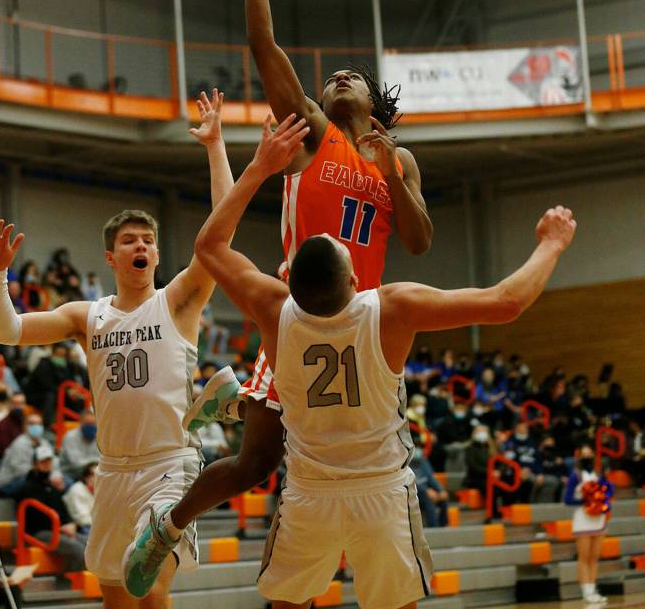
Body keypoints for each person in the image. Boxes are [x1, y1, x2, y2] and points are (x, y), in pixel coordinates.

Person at [124, 114, 576, 606]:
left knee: (287, 598)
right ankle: (236, 409)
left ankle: (241, 401)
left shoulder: (275, 310)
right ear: (355, 281)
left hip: (310, 491)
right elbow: (505, 302)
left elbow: (208, 245)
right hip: (381, 489)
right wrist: (552, 244)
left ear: (289, 277)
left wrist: (258, 167)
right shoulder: (393, 309)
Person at [164, 0, 434, 529]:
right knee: (256, 464)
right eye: (332, 78)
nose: (339, 77)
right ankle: (167, 526)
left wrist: (393, 175)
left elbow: (419, 242)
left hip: (361, 324)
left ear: (376, 105)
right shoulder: (315, 135)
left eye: (353, 77)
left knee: (346, 461)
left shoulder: (400, 159)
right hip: (296, 309)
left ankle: (236, 400)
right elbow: (265, 45)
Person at [0, 89, 237, 609]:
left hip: (170, 462)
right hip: (114, 470)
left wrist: (214, 146)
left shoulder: (180, 300)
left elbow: (221, 232)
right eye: (129, 240)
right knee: (116, 598)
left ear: (158, 254)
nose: (140, 245)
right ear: (111, 256)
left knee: (153, 586)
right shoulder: (86, 315)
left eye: (147, 239)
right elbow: (7, 332)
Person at [16, 446, 87, 572]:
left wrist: (70, 524)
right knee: (75, 547)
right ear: (35, 464)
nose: (46, 465)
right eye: (43, 462)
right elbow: (35, 517)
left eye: (49, 462)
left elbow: (63, 509)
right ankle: (73, 582)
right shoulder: (26, 488)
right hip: (38, 532)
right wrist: (60, 526)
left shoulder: (52, 487)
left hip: (57, 530)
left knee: (89, 542)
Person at [565, 444, 612, 605]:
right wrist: (586, 500)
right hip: (582, 518)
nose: (587, 457)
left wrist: (601, 501)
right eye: (583, 455)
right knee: (584, 557)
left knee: (594, 557)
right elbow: (567, 499)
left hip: (598, 518)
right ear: (579, 457)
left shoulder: (599, 474)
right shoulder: (576, 475)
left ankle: (593, 589)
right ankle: (586, 592)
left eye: (589, 454)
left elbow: (609, 490)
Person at [59, 408, 99, 480]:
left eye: (93, 423)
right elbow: (76, 462)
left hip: (91, 473)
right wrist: (92, 464)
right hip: (70, 473)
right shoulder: (70, 436)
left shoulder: (99, 437)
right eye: (87, 423)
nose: (90, 426)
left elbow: (102, 459)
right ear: (80, 422)